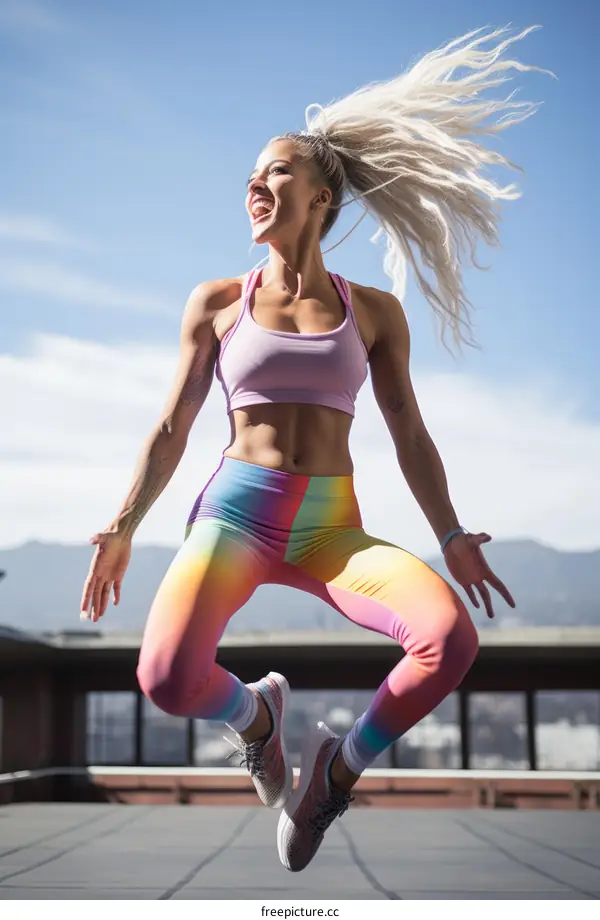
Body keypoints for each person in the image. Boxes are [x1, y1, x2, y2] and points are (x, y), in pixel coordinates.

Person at [80, 26, 547, 872]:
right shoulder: (218, 301)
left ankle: (337, 770)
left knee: (449, 640)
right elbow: (174, 425)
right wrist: (122, 524)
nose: (255, 183)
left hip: (332, 530)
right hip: (234, 519)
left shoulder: (373, 311)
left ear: (323, 196)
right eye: (251, 174)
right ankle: (256, 719)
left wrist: (449, 536)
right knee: (166, 680)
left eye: (277, 170)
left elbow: (409, 429)